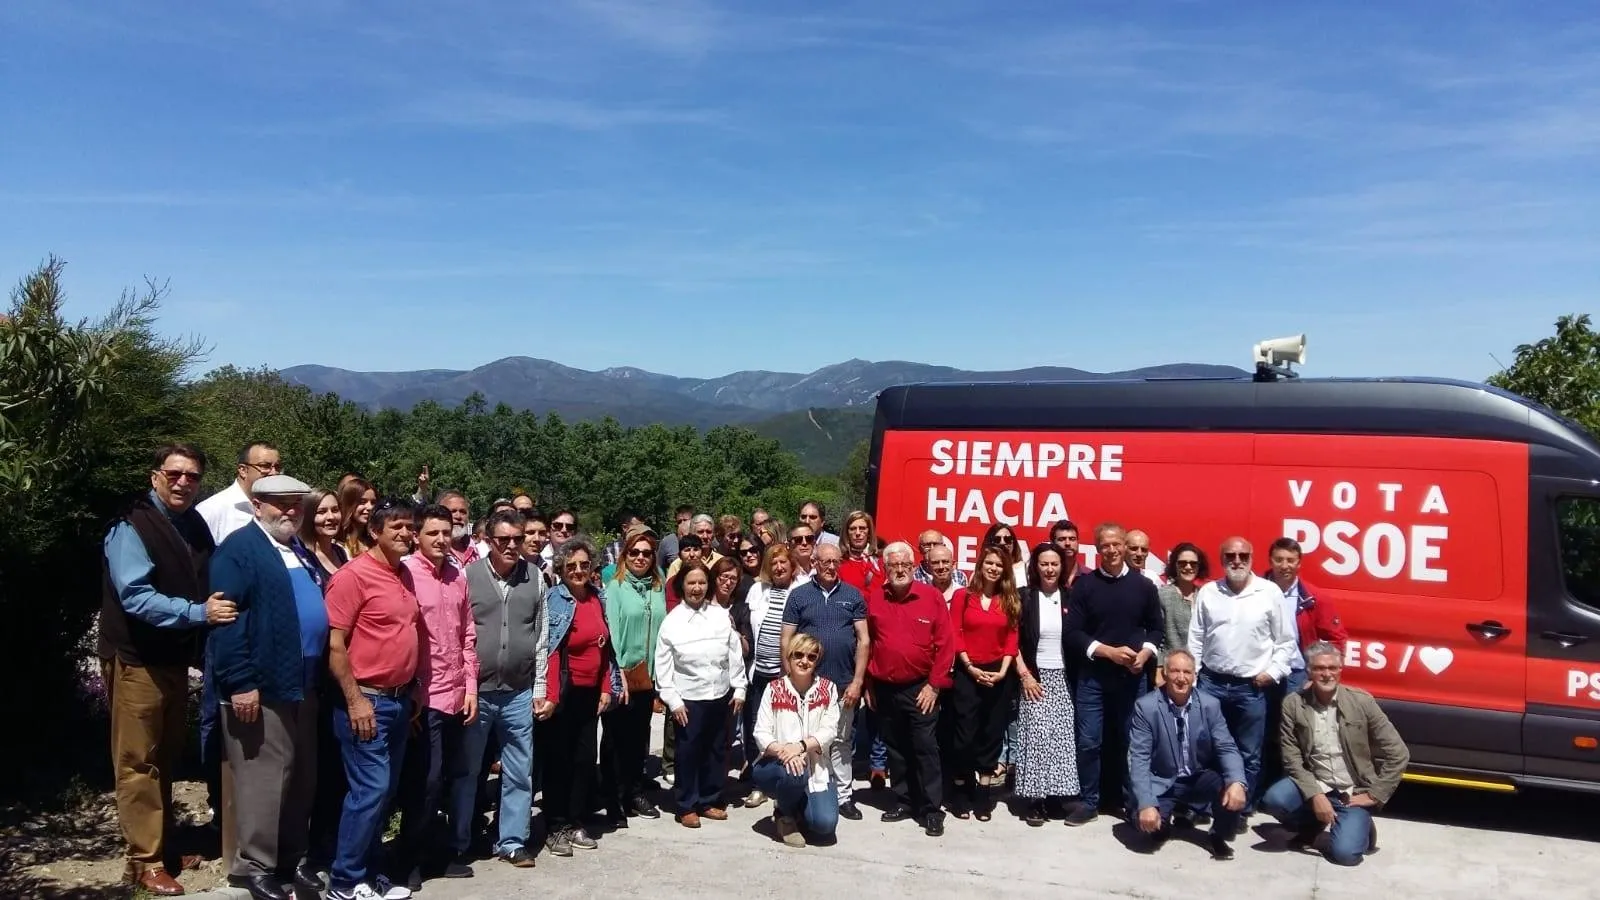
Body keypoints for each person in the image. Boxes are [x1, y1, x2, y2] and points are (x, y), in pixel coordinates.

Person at [99, 443, 234, 897]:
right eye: (174, 473)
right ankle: (145, 861)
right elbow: (135, 596)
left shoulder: (191, 523)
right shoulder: (131, 524)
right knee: (139, 761)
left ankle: (163, 845)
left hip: (173, 660)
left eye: (192, 476)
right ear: (155, 474)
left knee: (166, 754)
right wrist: (199, 614)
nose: (183, 482)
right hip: (138, 659)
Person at [208, 474, 324, 900]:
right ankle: (256, 867)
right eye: (280, 503)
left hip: (302, 684)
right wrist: (240, 682)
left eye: (297, 503)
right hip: (263, 685)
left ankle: (289, 861)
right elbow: (227, 621)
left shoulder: (293, 547)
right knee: (264, 778)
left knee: (298, 778)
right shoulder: (239, 550)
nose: (291, 510)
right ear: (257, 506)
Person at [323, 499, 423, 900]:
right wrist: (355, 700)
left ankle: (370, 872)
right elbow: (334, 645)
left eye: (409, 526)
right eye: (395, 526)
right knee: (370, 791)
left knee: (383, 793)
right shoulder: (354, 577)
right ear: (375, 531)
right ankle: (344, 881)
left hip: (399, 702)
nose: (404, 533)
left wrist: (412, 687)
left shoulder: (404, 575)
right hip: (366, 701)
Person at [452, 509, 548, 869]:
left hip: (519, 691)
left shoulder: (535, 577)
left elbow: (541, 636)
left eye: (517, 539)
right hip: (478, 691)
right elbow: (459, 632)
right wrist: (464, 684)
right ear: (489, 542)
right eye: (503, 540)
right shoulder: (468, 576)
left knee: (519, 770)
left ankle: (511, 840)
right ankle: (460, 840)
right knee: (468, 769)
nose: (511, 546)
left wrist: (539, 687)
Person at [1260, 641, 1410, 866]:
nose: (1326, 674)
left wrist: (1374, 795)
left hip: (1352, 791)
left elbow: (1398, 753)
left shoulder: (1361, 702)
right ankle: (1311, 827)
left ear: (1341, 670)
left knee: (1346, 856)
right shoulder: (1293, 704)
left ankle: (1361, 828)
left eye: (1332, 668)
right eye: (1319, 668)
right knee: (1275, 800)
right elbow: (1292, 759)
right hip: (1316, 782)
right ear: (1309, 671)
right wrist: (1316, 796)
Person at [396, 505, 478, 889]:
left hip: (456, 693)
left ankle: (433, 852)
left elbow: (467, 636)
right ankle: (408, 857)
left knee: (448, 776)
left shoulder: (457, 576)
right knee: (423, 781)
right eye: (433, 533)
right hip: (422, 697)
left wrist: (471, 687)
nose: (441, 540)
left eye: (446, 532)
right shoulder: (407, 574)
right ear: (417, 535)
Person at [1188, 536, 1296, 821]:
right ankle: (1205, 805)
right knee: (1206, 747)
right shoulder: (1209, 592)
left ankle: (1239, 810)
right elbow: (1196, 638)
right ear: (1222, 560)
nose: (1237, 561)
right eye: (1230, 556)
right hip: (1211, 682)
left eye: (1243, 556)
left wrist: (1271, 673)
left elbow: (1286, 642)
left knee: (1249, 752)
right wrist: (1194, 679)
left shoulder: (1269, 592)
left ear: (1252, 559)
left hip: (1251, 687)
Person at [1063, 522, 1164, 826]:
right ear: (1097, 549)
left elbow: (1156, 628)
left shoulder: (1144, 586)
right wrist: (1108, 651)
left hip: (1132, 679)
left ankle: (1131, 802)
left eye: (1116, 544)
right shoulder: (1084, 585)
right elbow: (1073, 633)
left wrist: (1145, 653)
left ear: (1124, 545)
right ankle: (1089, 802)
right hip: (1093, 678)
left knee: (1132, 742)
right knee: (1089, 742)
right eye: (1104, 545)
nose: (1111, 550)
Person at [538, 537, 623, 858]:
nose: (578, 571)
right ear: (561, 568)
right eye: (571, 566)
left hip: (590, 693)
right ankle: (555, 824)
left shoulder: (597, 598)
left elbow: (604, 649)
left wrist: (606, 687)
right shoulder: (555, 600)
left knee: (584, 761)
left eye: (584, 565)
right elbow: (551, 650)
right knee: (559, 760)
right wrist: (552, 695)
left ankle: (575, 820)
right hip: (563, 692)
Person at [866, 541, 956, 837]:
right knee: (897, 748)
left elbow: (946, 645)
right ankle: (903, 801)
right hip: (886, 688)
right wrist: (868, 683)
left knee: (925, 749)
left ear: (914, 566)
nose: (900, 570)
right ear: (885, 568)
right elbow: (866, 644)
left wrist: (934, 685)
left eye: (905, 565)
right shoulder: (874, 598)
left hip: (922, 689)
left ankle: (931, 809)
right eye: (894, 566)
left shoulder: (931, 597)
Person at [1126, 649, 1248, 860]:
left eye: (1187, 672)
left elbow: (1226, 746)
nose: (1181, 678)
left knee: (1231, 788)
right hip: (1162, 779)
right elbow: (1138, 758)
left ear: (1194, 676)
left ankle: (1218, 835)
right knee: (1144, 826)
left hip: (1198, 777)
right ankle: (1161, 822)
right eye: (1175, 671)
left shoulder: (1210, 705)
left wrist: (1237, 781)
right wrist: (1145, 803)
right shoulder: (1146, 707)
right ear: (1164, 673)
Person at [780, 541, 870, 820]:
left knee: (841, 741)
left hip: (843, 684)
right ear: (815, 563)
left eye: (835, 562)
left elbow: (864, 640)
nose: (831, 567)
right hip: (809, 684)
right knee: (807, 738)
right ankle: (804, 791)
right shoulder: (798, 595)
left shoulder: (853, 595)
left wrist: (857, 682)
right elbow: (786, 639)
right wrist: (790, 679)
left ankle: (844, 796)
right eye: (825, 562)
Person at [655, 562, 747, 826]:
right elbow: (663, 665)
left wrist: (739, 687)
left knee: (716, 750)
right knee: (689, 752)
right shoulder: (672, 622)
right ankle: (686, 805)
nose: (697, 588)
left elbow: (734, 654)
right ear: (682, 585)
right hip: (688, 700)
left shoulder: (719, 616)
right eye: (691, 583)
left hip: (719, 695)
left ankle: (709, 799)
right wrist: (673, 700)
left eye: (702, 583)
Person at [947, 544, 1020, 821]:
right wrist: (969, 666)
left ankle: (983, 793)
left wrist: (1003, 671)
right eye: (989, 563)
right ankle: (961, 790)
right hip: (968, 671)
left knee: (991, 735)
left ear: (1005, 570)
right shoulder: (963, 596)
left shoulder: (1010, 600)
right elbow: (956, 632)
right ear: (980, 565)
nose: (993, 568)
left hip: (999, 674)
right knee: (964, 735)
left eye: (999, 565)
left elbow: (1012, 639)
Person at [601, 525, 668, 825]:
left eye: (647, 553)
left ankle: (635, 791)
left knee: (639, 738)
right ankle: (614, 800)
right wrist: (618, 676)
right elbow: (612, 631)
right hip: (623, 674)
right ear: (625, 555)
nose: (641, 558)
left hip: (648, 676)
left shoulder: (658, 585)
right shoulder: (614, 587)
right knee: (615, 740)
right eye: (635, 552)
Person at [1011, 544, 1079, 826]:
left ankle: (1055, 797)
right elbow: (1010, 640)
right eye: (1044, 564)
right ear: (1035, 567)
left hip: (1064, 676)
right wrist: (1025, 674)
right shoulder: (1024, 597)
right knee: (1036, 737)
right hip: (1034, 676)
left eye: (1054, 564)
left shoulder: (1072, 597)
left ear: (1062, 567)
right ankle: (1034, 801)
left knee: (1060, 738)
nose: (1049, 569)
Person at [752, 633, 842, 847]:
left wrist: (800, 747)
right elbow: (761, 733)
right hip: (776, 764)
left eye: (811, 657)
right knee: (795, 771)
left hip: (816, 768)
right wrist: (786, 752)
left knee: (824, 825)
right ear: (789, 658)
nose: (804, 661)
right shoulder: (774, 689)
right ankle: (784, 815)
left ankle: (798, 805)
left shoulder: (828, 689)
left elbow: (830, 730)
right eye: (798, 655)